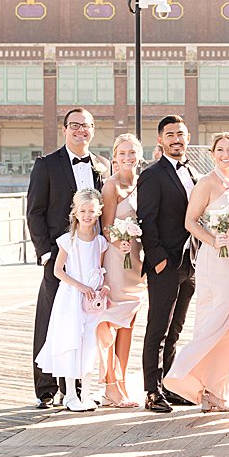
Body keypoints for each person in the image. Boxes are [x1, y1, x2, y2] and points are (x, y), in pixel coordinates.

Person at [26, 107, 107, 408]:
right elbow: (34, 211)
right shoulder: (46, 165)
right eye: (74, 125)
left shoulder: (102, 165)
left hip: (90, 257)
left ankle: (72, 387)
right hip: (60, 255)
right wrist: (46, 252)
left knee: (82, 324)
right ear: (64, 129)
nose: (80, 131)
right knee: (50, 320)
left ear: (93, 130)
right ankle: (46, 388)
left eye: (86, 126)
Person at [164, 132, 229, 412]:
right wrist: (214, 240)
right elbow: (190, 222)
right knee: (215, 322)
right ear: (212, 153)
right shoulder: (206, 183)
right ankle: (188, 378)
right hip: (215, 258)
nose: (226, 154)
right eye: (221, 149)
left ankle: (216, 391)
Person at [137, 115, 200, 413]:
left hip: (191, 264)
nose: (177, 139)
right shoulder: (152, 175)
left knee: (176, 329)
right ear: (160, 139)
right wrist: (158, 259)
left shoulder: (194, 173)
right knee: (158, 329)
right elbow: (146, 220)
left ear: (188, 138)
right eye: (170, 134)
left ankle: (169, 386)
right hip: (165, 264)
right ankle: (152, 391)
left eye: (181, 134)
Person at [34, 188, 111, 412]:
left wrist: (102, 286)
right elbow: (58, 271)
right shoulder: (68, 241)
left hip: (91, 302)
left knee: (88, 345)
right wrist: (80, 286)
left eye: (92, 211)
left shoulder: (100, 243)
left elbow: (99, 270)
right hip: (70, 299)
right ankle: (69, 394)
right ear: (75, 213)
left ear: (98, 213)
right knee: (70, 343)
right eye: (83, 211)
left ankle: (85, 394)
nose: (87, 215)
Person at [99, 133, 147, 408]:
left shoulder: (143, 184)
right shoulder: (111, 187)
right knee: (113, 324)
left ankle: (123, 382)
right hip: (117, 261)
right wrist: (120, 241)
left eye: (133, 153)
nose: (128, 158)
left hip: (137, 261)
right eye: (123, 153)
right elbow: (105, 228)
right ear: (115, 156)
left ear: (140, 156)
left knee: (129, 324)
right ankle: (109, 385)